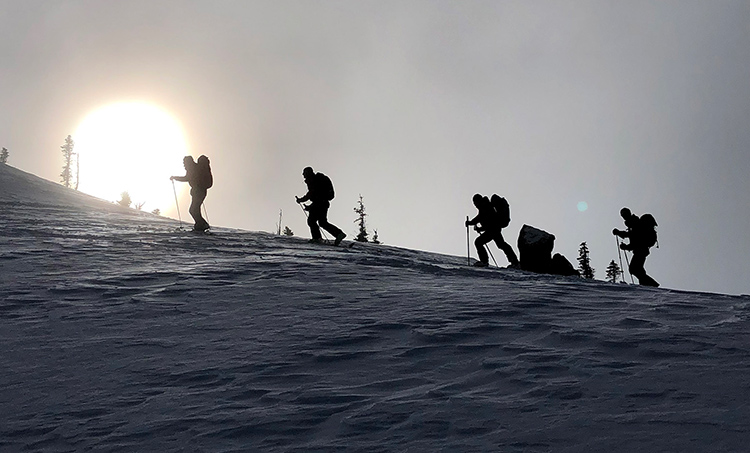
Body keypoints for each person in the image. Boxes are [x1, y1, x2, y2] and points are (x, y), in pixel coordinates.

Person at [295, 166, 346, 245]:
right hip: (323, 203)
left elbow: (312, 194)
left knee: (312, 220)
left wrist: (301, 200)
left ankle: (317, 238)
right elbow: (316, 195)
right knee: (322, 222)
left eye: (304, 173)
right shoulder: (317, 179)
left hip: (319, 203)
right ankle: (339, 234)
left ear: (308, 173)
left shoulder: (313, 180)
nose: (303, 175)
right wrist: (310, 207)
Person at [466, 193, 519, 268]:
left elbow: (482, 218)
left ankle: (484, 261)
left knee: (478, 242)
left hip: (493, 230)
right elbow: (488, 221)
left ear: (478, 201)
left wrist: (470, 223)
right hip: (495, 229)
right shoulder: (486, 205)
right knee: (501, 244)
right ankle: (515, 261)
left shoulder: (484, 206)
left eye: (474, 202)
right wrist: (480, 228)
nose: (474, 204)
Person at [613, 207, 659, 287]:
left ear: (629, 213)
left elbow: (634, 236)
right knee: (637, 269)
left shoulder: (635, 222)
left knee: (634, 269)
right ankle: (646, 285)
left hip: (641, 249)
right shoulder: (633, 223)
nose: (624, 216)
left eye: (624, 214)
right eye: (622, 215)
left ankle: (652, 284)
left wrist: (620, 233)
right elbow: (635, 240)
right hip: (641, 249)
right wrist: (626, 246)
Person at [170, 155, 212, 232]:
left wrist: (175, 178)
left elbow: (186, 178)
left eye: (184, 163)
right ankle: (200, 225)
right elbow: (188, 178)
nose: (184, 165)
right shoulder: (193, 168)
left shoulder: (193, 168)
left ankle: (202, 224)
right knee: (194, 209)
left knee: (193, 209)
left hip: (199, 191)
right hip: (199, 191)